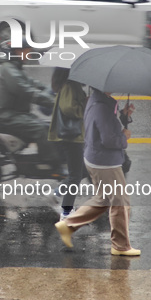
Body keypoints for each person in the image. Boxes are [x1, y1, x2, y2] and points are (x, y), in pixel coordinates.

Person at [54, 88, 140, 256]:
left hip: (97, 158)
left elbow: (106, 125)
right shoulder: (101, 107)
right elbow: (108, 139)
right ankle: (120, 245)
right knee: (120, 202)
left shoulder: (98, 101)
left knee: (103, 199)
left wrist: (123, 115)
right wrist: (124, 137)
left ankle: (68, 225)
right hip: (105, 162)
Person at [0, 43, 62, 175]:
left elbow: (32, 83)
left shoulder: (14, 67)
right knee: (39, 129)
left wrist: (51, 90)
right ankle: (49, 163)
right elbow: (25, 90)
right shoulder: (8, 69)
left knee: (46, 126)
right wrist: (53, 102)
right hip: (6, 115)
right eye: (26, 51)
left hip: (15, 113)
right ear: (17, 51)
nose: (28, 55)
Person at [48, 68, 88, 220]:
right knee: (75, 176)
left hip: (74, 137)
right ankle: (66, 213)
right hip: (71, 138)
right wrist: (84, 106)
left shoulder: (72, 85)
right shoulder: (70, 86)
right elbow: (68, 108)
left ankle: (56, 193)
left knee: (83, 171)